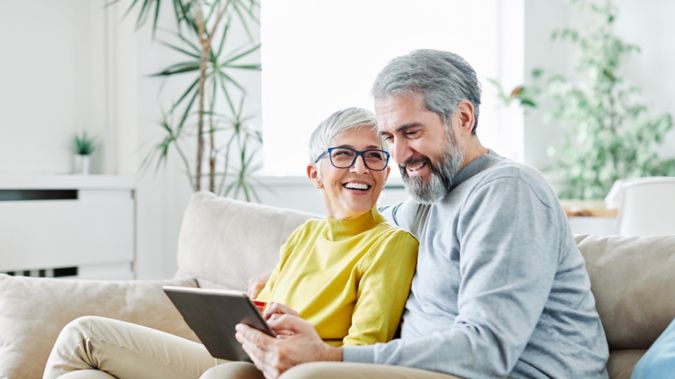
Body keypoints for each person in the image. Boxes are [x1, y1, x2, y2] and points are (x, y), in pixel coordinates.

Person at [235, 49, 610, 379]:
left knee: (309, 377)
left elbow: (488, 350)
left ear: (463, 118)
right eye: (389, 138)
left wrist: (332, 357)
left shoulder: (507, 192)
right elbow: (355, 233)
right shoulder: (428, 198)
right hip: (420, 374)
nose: (398, 156)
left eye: (411, 132)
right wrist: (284, 275)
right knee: (229, 374)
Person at [42, 107, 418, 379]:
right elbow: (263, 314)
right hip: (236, 355)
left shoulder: (392, 244)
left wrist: (302, 340)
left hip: (282, 370)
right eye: (342, 155)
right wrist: (253, 301)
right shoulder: (304, 235)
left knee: (85, 336)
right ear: (315, 175)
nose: (360, 168)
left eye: (373, 157)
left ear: (386, 172)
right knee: (83, 368)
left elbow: (364, 351)